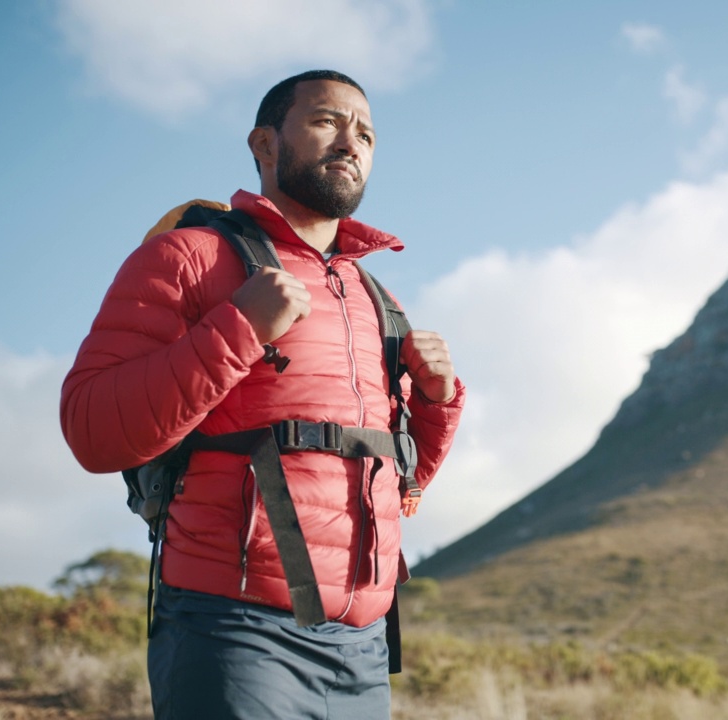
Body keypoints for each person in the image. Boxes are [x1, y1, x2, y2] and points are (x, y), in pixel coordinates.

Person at [60, 70, 464, 719]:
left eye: (365, 132)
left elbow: (403, 482)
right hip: (233, 632)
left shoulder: (374, 300)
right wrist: (241, 325)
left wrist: (438, 404)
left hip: (364, 651)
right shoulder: (188, 257)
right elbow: (92, 428)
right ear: (266, 143)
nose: (350, 141)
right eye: (327, 120)